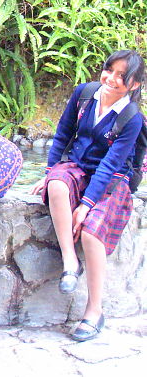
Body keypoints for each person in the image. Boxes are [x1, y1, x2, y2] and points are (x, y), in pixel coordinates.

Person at [30, 50, 144, 341]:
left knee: (93, 233)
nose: (112, 79)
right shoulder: (84, 94)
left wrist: (86, 205)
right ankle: (70, 262)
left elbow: (111, 165)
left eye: (122, 76)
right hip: (79, 166)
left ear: (133, 84)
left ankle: (94, 312)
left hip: (112, 179)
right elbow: (62, 134)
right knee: (56, 185)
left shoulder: (132, 118)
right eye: (109, 70)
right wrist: (50, 171)